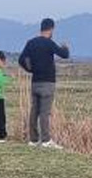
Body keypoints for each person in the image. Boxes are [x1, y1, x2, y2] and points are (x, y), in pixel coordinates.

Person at [18, 17, 71, 148]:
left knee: (34, 111)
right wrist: (65, 47)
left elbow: (21, 59)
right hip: (48, 82)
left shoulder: (31, 42)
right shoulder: (49, 43)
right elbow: (64, 55)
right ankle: (46, 140)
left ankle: (33, 139)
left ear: (41, 28)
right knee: (44, 112)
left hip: (35, 81)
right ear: (51, 29)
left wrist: (30, 69)